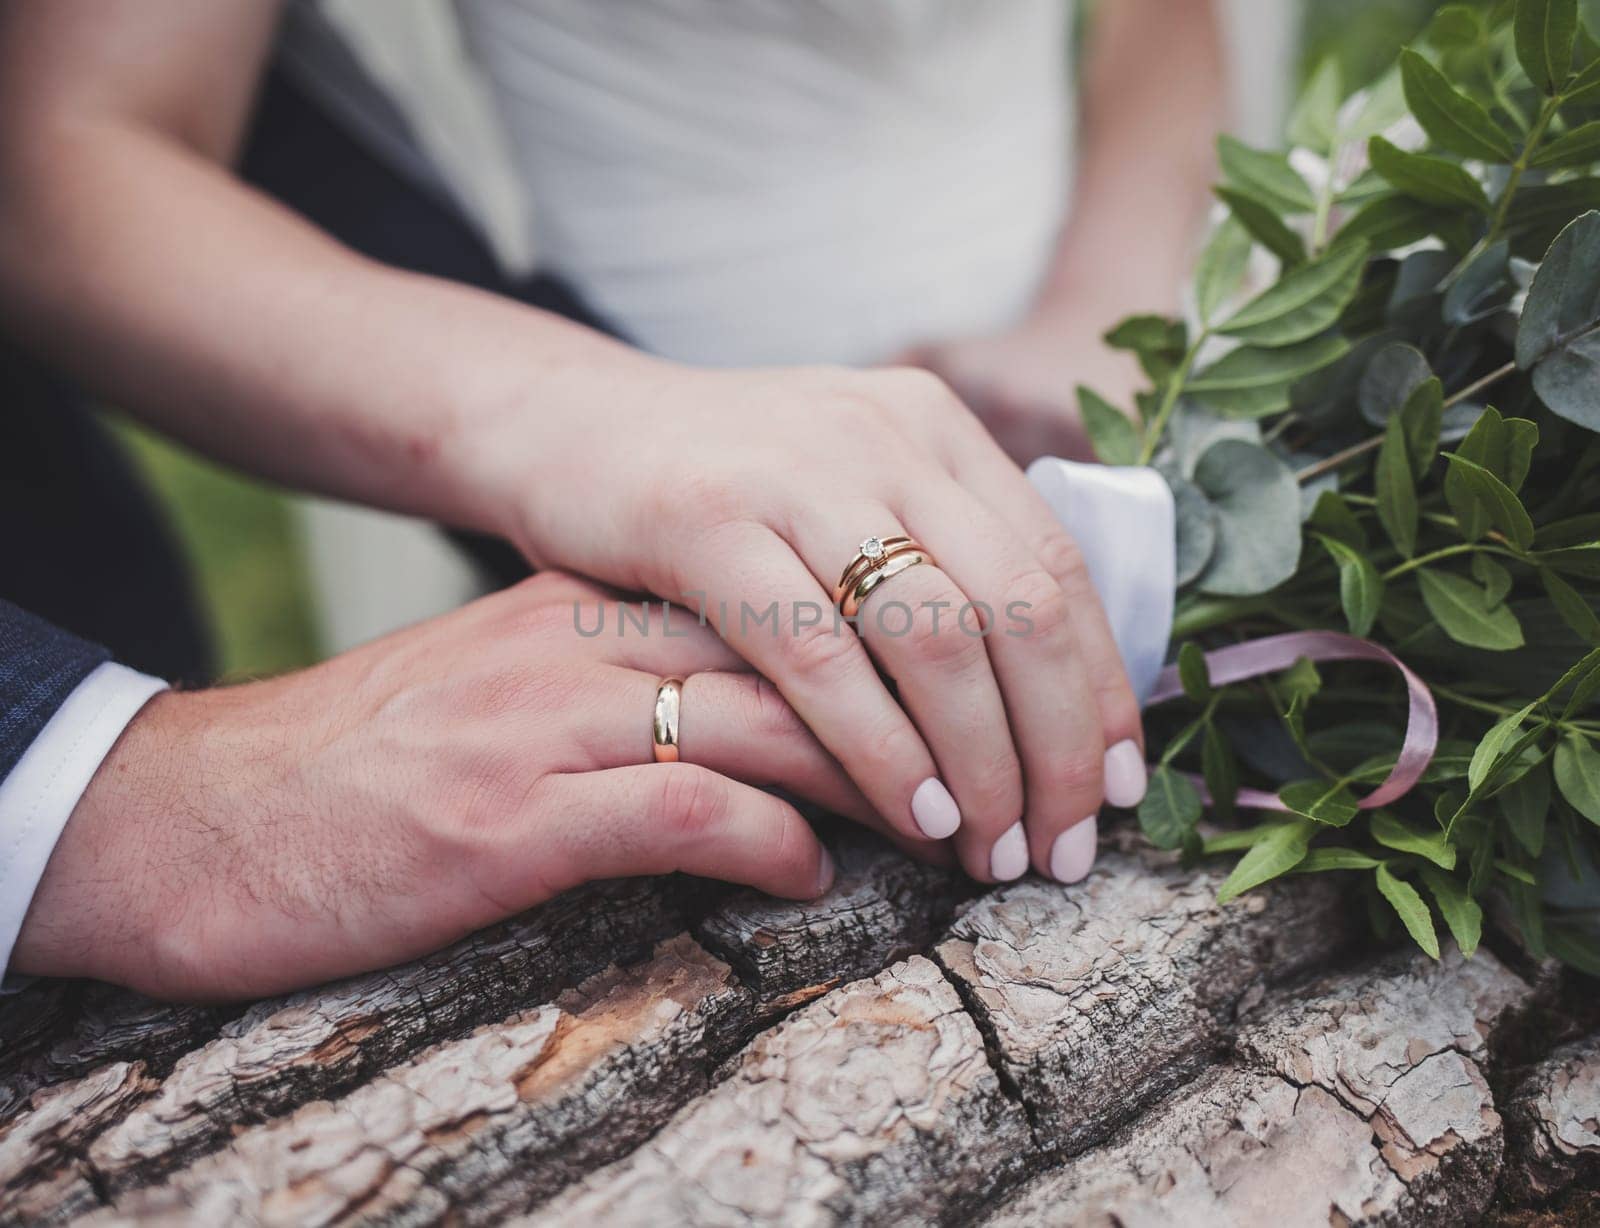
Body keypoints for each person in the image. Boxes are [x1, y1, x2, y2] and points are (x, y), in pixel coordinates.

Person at [0, 0, 1227, 1000]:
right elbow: (66, 142)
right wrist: (581, 414)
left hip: (1117, 356)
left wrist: (1111, 301)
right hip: (653, 388)